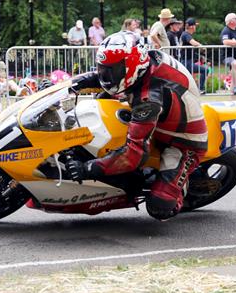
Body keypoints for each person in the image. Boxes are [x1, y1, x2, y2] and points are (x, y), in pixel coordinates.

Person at [66, 31, 207, 221]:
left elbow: (133, 155)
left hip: (182, 141)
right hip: (163, 120)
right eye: (103, 69)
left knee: (160, 205)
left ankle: (179, 186)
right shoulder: (140, 65)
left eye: (111, 71)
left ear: (131, 67)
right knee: (103, 103)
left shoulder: (149, 98)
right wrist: (63, 86)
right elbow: (98, 78)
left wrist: (87, 168)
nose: (105, 76)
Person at [179, 18, 210, 94]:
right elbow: (192, 42)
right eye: (195, 26)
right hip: (186, 62)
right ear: (191, 27)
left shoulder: (185, 34)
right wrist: (201, 46)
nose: (195, 27)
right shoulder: (186, 34)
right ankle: (201, 89)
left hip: (186, 61)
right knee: (205, 70)